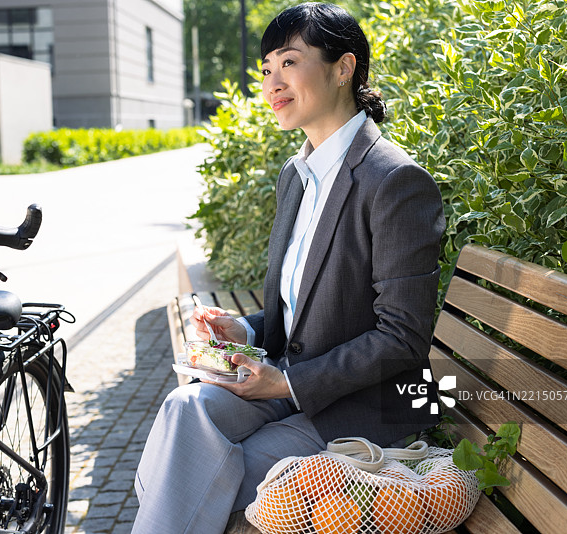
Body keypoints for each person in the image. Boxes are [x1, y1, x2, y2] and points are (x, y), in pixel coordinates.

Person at [131, 3, 445, 533]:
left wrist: (286, 384)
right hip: (290, 384)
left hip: (365, 410)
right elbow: (301, 303)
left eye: (289, 62)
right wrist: (246, 329)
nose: (272, 83)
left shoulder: (394, 181)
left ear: (343, 68)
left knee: (192, 475)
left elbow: (403, 338)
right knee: (185, 409)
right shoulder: (296, 175)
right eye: (266, 68)